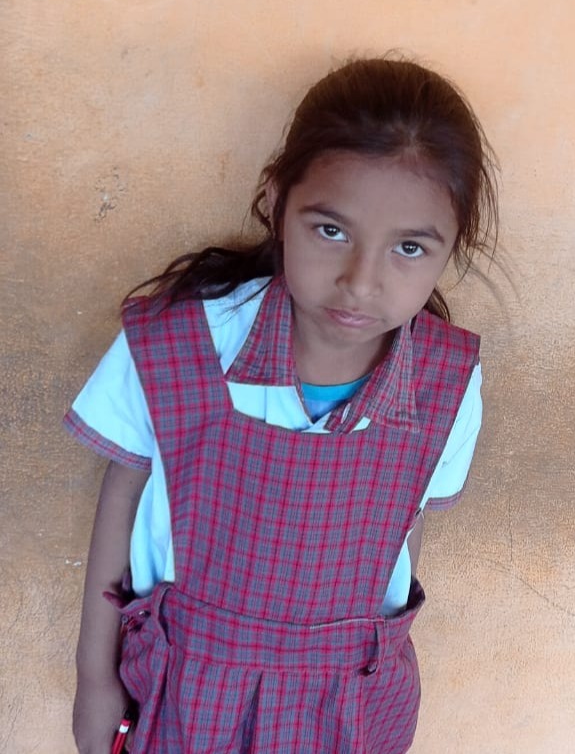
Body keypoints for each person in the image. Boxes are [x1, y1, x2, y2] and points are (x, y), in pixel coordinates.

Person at [65, 56, 499, 754]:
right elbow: (121, 496)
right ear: (276, 202)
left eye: (410, 247)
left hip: (346, 701)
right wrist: (95, 679)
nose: (360, 281)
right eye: (331, 231)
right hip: (187, 686)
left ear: (450, 249)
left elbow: (405, 526)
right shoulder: (180, 343)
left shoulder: (445, 384)